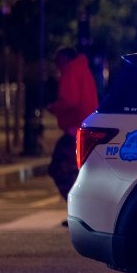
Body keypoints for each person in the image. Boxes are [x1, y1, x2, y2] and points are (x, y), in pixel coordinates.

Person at [46, 48, 99, 203]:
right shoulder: (83, 70)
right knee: (76, 169)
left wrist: (54, 107)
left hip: (75, 130)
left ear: (65, 58)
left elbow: (70, 101)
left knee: (59, 168)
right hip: (87, 127)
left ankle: (76, 204)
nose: (56, 65)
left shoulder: (70, 72)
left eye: (58, 60)